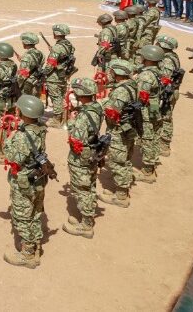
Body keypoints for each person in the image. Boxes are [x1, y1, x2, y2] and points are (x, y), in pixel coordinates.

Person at [2, 94, 49, 268]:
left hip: (24, 181)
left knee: (22, 216)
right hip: (38, 178)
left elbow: (13, 157)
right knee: (35, 212)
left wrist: (8, 138)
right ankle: (36, 245)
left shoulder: (22, 136)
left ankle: (27, 254)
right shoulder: (40, 128)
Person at [62, 77, 103, 239]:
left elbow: (76, 140)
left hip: (81, 158)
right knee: (89, 184)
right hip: (92, 152)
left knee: (81, 188)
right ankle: (87, 215)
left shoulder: (83, 116)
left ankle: (86, 225)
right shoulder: (96, 107)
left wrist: (72, 121)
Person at [97, 60, 140, 208]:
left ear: (118, 73)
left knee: (116, 161)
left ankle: (121, 196)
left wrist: (100, 105)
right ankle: (121, 187)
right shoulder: (132, 85)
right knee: (125, 158)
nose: (110, 74)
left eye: (112, 71)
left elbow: (112, 113)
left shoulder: (121, 91)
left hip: (118, 131)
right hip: (128, 128)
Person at [133, 45, 165, 183]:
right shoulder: (157, 71)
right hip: (155, 108)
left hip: (146, 112)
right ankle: (153, 161)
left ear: (148, 58)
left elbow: (141, 96)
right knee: (154, 136)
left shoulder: (146, 76)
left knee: (147, 139)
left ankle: (148, 171)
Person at [38, 24, 76, 127]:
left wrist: (43, 73)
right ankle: (64, 116)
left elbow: (51, 64)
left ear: (56, 33)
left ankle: (57, 120)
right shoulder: (68, 44)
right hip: (63, 74)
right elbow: (64, 56)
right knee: (61, 95)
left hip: (54, 77)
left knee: (56, 97)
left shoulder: (57, 48)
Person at [156, 35, 183, 157]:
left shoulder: (167, 60)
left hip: (167, 94)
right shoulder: (172, 56)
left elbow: (165, 80)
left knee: (166, 118)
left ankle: (164, 145)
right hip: (170, 92)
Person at [17, 33, 44, 98]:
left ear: (26, 42)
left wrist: (17, 86)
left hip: (28, 86)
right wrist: (22, 60)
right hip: (37, 83)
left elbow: (22, 74)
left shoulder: (27, 56)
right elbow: (36, 64)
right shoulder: (40, 53)